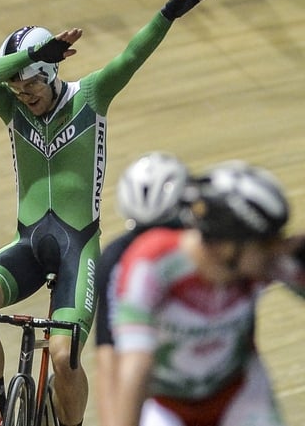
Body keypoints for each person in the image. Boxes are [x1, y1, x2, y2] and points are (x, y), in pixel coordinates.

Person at [0, 0, 218, 426]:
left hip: (76, 249)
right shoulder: (13, 108)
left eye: (31, 89)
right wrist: (29, 58)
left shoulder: (91, 95)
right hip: (28, 243)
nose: (26, 99)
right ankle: (0, 413)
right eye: (18, 92)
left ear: (51, 74)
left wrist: (172, 10)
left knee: (63, 357)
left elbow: (132, 56)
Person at [112, 161, 305, 426]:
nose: (274, 250)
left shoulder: (263, 261)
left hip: (240, 396)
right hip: (167, 406)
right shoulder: (151, 263)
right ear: (226, 246)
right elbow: (135, 366)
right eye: (265, 241)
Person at [92, 151, 191, 426]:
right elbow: (108, 358)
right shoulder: (115, 258)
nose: (153, 247)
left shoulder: (209, 248)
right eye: (143, 233)